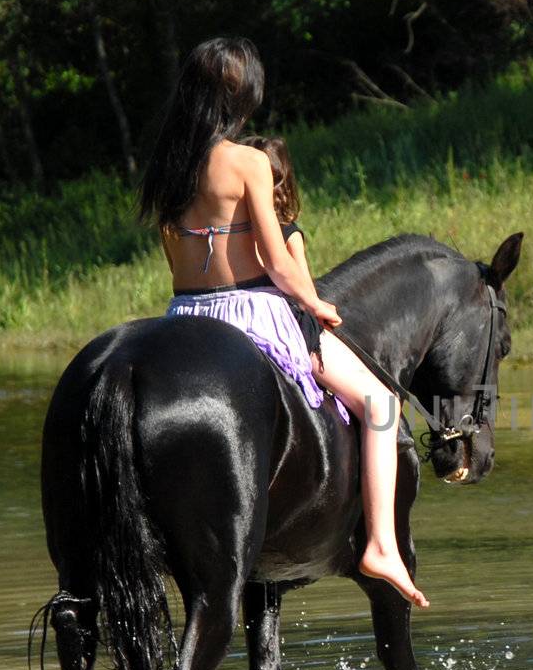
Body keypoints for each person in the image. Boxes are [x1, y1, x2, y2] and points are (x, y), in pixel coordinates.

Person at [141, 36, 427, 608]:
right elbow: (275, 262)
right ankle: (381, 546)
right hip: (252, 313)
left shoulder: (166, 164)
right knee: (379, 403)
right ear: (242, 95)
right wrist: (316, 305)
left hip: (184, 315)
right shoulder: (246, 161)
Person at [240, 134, 328, 389]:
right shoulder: (288, 232)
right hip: (284, 325)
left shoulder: (237, 234)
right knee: (378, 400)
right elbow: (304, 288)